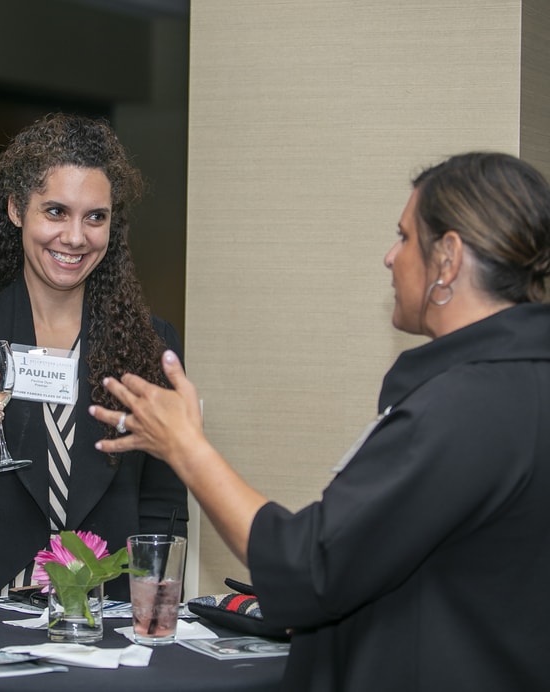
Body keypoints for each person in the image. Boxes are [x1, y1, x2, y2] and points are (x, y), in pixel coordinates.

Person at [89, 152, 550, 690]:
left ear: (447, 259)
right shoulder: (518, 385)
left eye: (403, 238)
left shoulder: (466, 406)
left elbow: (308, 565)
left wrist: (188, 449)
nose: (389, 257)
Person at [0, 112, 188, 601]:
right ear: (15, 210)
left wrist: (150, 610)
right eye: (55, 212)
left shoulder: (150, 347)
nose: (75, 237)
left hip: (104, 625)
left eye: (95, 217)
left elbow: (163, 507)